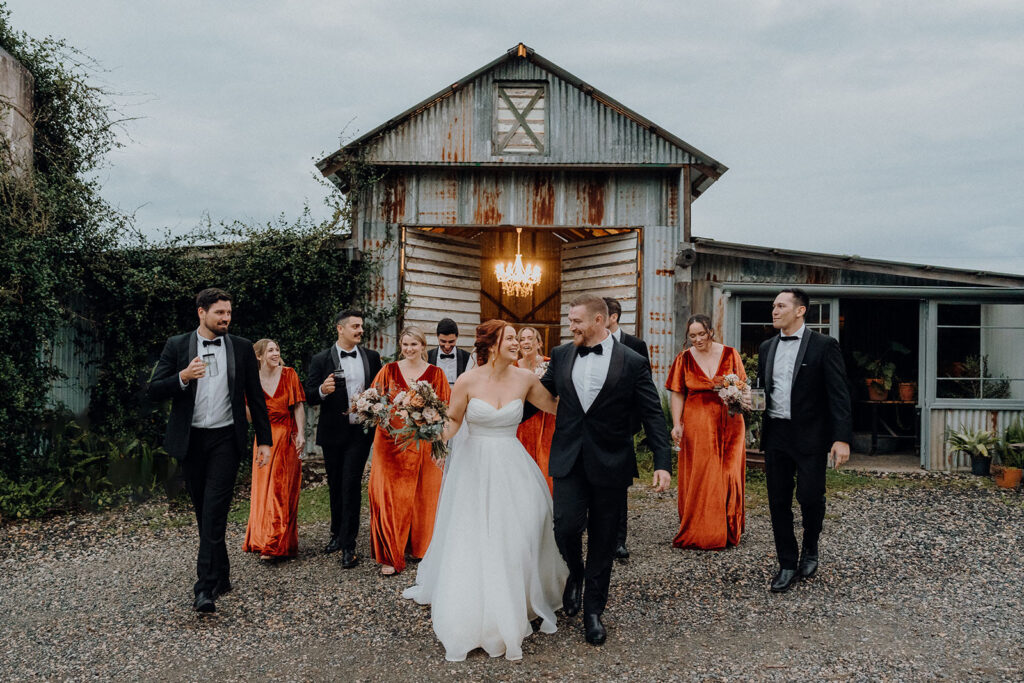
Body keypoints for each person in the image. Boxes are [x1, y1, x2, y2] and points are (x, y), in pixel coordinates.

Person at [403, 320, 567, 662]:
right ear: (492, 344)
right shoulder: (467, 380)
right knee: (475, 535)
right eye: (510, 339)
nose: (517, 344)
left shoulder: (526, 379)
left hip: (513, 464)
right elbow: (452, 425)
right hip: (474, 467)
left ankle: (520, 596)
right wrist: (426, 425)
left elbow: (555, 406)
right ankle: (478, 605)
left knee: (524, 526)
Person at [540, 293, 672, 646]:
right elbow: (537, 397)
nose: (571, 327)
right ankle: (576, 574)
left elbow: (652, 413)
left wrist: (662, 462)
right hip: (568, 457)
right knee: (564, 525)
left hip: (611, 461)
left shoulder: (632, 360)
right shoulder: (561, 354)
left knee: (603, 537)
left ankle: (594, 610)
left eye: (576, 321)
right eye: (570, 321)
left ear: (599, 321)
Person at [147, 288, 272, 613]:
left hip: (225, 441)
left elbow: (255, 397)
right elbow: (153, 389)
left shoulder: (242, 348)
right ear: (201, 312)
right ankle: (223, 574)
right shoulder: (177, 345)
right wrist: (183, 377)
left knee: (214, 511)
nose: (226, 318)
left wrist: (266, 441)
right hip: (192, 442)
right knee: (205, 513)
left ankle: (204, 589)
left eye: (229, 313)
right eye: (220, 313)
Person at [758, 288, 852, 593]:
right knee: (778, 501)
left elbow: (839, 395)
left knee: (810, 497)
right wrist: (745, 401)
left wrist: (841, 438)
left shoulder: (824, 346)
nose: (774, 310)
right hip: (776, 434)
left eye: (781, 306)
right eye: (773, 306)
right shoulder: (766, 347)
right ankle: (787, 563)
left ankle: (810, 546)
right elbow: (763, 392)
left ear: (800, 311)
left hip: (811, 435)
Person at [367, 326, 450, 576]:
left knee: (425, 496)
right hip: (390, 442)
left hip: (423, 442)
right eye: (405, 345)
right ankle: (391, 553)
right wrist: (377, 413)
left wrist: (441, 445)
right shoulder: (388, 370)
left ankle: (422, 548)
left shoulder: (436, 374)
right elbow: (373, 400)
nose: (409, 349)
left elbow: (445, 410)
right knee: (390, 497)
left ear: (423, 346)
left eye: (414, 344)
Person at [304, 310, 382, 569]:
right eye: (355, 326)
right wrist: (322, 391)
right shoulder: (321, 359)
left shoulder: (372, 357)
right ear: (340, 329)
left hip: (360, 433)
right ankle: (336, 533)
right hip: (332, 432)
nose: (360, 330)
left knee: (350, 484)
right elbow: (309, 395)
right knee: (336, 485)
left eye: (361, 326)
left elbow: (380, 391)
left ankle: (349, 546)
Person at [665, 315, 748, 550]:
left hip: (731, 421)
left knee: (728, 473)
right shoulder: (684, 359)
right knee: (704, 473)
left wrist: (737, 394)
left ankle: (730, 527)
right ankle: (705, 529)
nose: (698, 339)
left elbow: (743, 385)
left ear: (711, 331)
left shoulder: (731, 354)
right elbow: (677, 392)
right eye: (692, 336)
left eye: (702, 334)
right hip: (698, 422)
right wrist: (676, 423)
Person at [242, 339, 306, 561]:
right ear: (259, 356)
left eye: (277, 349)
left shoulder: (289, 374)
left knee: (281, 489)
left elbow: (298, 405)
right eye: (270, 350)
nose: (276, 353)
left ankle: (276, 543)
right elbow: (250, 415)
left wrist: (301, 434)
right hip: (263, 439)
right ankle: (261, 538)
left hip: (286, 436)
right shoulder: (251, 380)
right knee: (263, 489)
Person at [603, 296, 651, 561]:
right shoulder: (588, 344)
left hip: (623, 427)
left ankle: (619, 540)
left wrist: (637, 425)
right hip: (596, 426)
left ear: (614, 317)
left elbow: (644, 389)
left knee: (619, 484)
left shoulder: (636, 345)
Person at [514, 326, 555, 494]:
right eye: (521, 339)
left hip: (546, 421)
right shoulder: (513, 367)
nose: (525, 342)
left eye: (529, 338)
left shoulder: (549, 364)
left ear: (539, 343)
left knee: (546, 464)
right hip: (522, 423)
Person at [427, 318, 471, 386]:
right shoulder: (427, 357)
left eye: (451, 342)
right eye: (443, 341)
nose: (447, 346)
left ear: (457, 337)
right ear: (437, 336)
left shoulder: (468, 358)